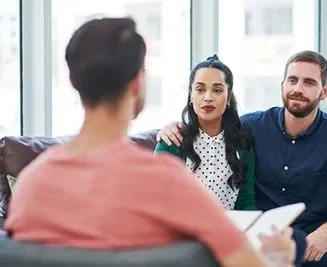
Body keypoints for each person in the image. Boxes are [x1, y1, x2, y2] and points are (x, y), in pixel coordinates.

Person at [4, 17, 296, 267]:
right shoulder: (167, 179)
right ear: (137, 83)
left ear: (72, 81)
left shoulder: (31, 185)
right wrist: (277, 258)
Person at [157, 50, 327, 267]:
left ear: (325, 91)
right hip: (264, 239)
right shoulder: (251, 128)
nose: (298, 89)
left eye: (309, 83)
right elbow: (211, 124)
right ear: (282, 85)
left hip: (314, 239)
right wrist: (171, 128)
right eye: (292, 80)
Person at [154, 55, 256, 210]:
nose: (208, 97)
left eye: (217, 90)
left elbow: (246, 203)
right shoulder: (172, 142)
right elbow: (154, 200)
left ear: (228, 98)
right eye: (200, 90)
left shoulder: (242, 145)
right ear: (191, 96)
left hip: (229, 230)